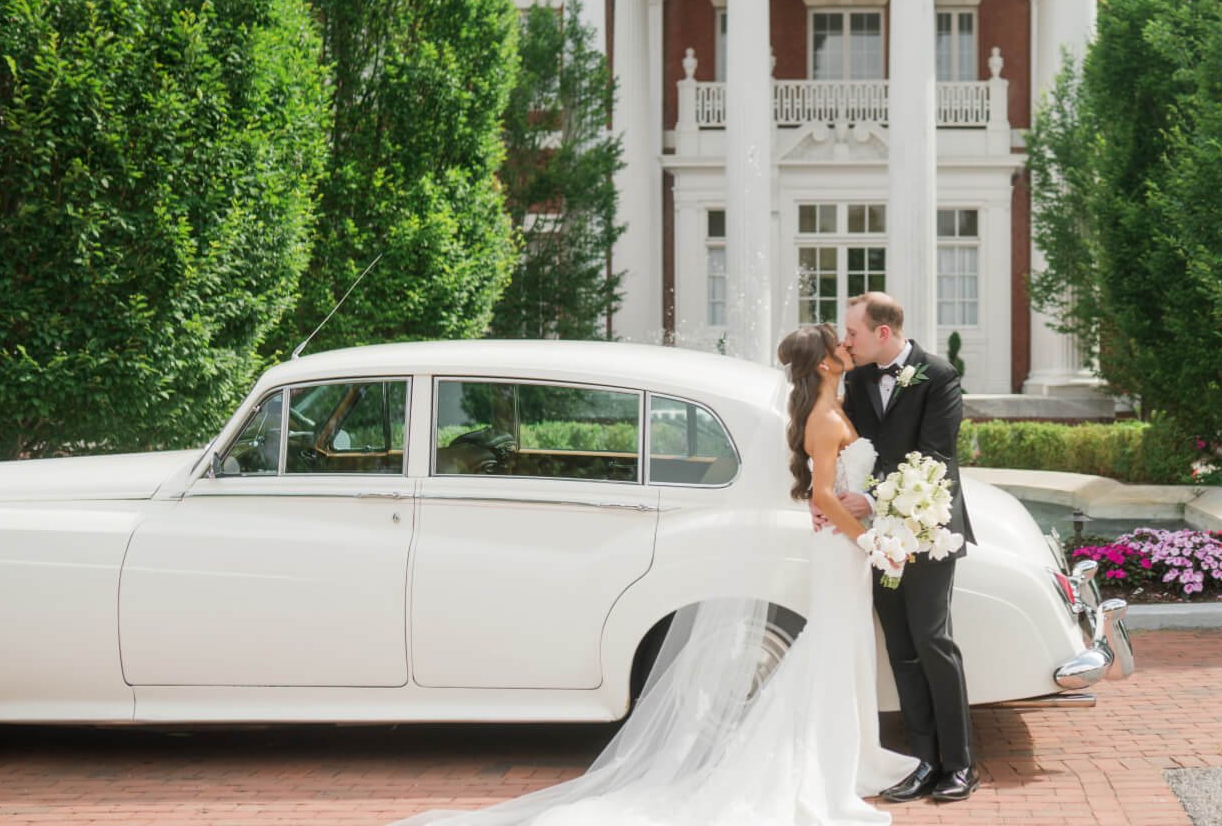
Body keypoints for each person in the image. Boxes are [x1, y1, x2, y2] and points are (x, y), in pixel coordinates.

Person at [396, 323, 916, 826]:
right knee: (832, 643)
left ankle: (852, 753)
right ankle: (832, 758)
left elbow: (833, 491)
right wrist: (871, 541)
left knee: (843, 644)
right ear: (824, 362)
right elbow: (823, 494)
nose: (848, 345)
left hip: (843, 544)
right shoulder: (825, 420)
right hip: (841, 547)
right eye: (839, 342)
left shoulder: (833, 408)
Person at [822, 292, 978, 803]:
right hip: (880, 541)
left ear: (882, 332)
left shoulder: (938, 375)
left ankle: (960, 765)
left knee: (934, 642)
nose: (847, 341)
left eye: (853, 333)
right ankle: (924, 761)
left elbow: (935, 453)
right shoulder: (861, 378)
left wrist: (869, 496)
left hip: (928, 530)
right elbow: (853, 445)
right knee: (902, 650)